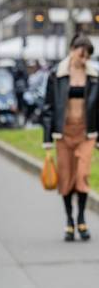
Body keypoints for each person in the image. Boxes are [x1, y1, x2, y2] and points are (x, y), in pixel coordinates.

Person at [42, 33, 99, 241]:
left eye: (87, 56)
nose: (84, 60)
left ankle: (82, 218)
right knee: (66, 178)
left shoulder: (94, 76)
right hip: (63, 133)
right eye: (81, 54)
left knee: (82, 176)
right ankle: (69, 221)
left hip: (86, 133)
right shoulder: (56, 76)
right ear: (72, 51)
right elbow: (48, 108)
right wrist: (47, 139)